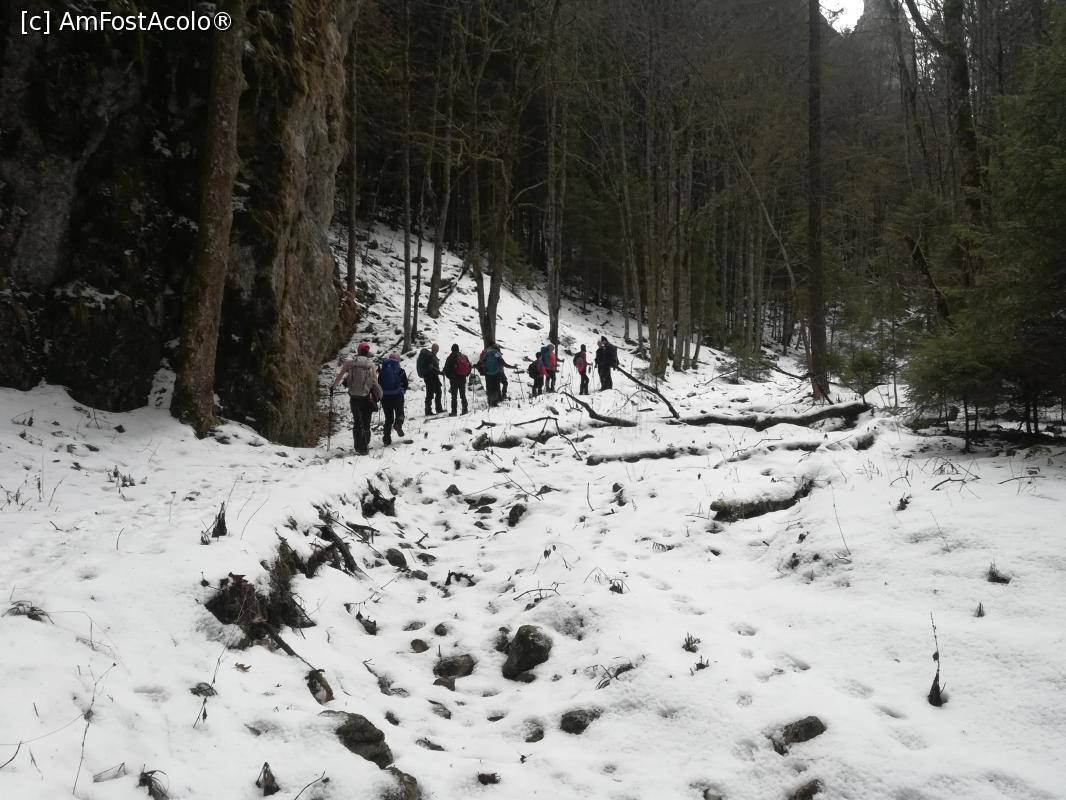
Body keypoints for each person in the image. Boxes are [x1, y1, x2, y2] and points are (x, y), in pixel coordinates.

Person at [332, 342, 381, 455]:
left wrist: (333, 387)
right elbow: (375, 381)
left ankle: (357, 446)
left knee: (357, 421)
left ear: (358, 351)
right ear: (367, 352)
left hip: (354, 397)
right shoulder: (370, 364)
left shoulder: (349, 363)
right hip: (366, 397)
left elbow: (340, 376)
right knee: (366, 422)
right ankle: (364, 447)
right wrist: (378, 394)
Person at [378, 352, 409, 445]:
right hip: (397, 396)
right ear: (398, 360)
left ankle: (386, 439)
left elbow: (379, 383)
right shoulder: (401, 371)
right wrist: (402, 391)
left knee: (388, 419)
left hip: (385, 397)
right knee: (400, 414)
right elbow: (405, 384)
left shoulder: (383, 370)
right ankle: (398, 424)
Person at [442, 343, 471, 416]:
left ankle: (454, 412)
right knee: (463, 395)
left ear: (452, 349)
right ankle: (465, 409)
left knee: (454, 396)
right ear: (458, 349)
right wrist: (465, 375)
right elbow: (469, 367)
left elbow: (446, 369)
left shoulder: (451, 357)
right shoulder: (464, 357)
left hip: (454, 380)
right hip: (462, 379)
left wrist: (449, 376)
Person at [416, 343, 444, 416]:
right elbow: (431, 367)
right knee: (430, 394)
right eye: (436, 348)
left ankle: (438, 409)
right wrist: (439, 372)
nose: (437, 350)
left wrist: (438, 372)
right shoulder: (430, 356)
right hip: (430, 377)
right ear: (433, 348)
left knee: (438, 392)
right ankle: (428, 411)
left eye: (437, 349)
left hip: (433, 377)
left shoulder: (432, 356)